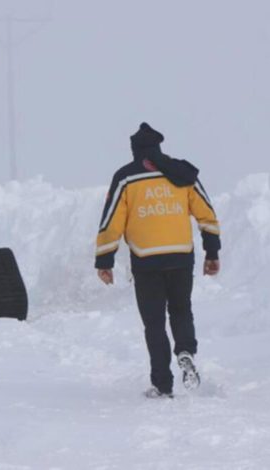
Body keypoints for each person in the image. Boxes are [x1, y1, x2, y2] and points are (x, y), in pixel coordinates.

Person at [95, 122, 221, 398]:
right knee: (181, 310)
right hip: (180, 256)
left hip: (146, 259)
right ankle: (185, 350)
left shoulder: (126, 178)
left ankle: (163, 384)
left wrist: (104, 260)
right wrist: (212, 251)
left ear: (135, 151)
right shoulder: (181, 174)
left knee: (154, 323)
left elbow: (111, 221)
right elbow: (206, 214)